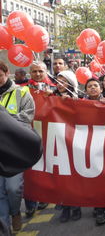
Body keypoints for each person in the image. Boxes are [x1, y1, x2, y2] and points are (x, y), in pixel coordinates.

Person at [0, 62, 36, 232]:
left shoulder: (22, 93)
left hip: (14, 149)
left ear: (7, 73)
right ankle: (5, 227)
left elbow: (27, 118)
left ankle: (15, 212)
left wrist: (5, 118)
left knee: (13, 188)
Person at [52, 71, 82, 223]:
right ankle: (64, 207)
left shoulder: (78, 98)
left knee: (73, 176)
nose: (60, 84)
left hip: (73, 142)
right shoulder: (51, 96)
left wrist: (72, 102)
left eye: (64, 81)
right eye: (58, 81)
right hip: (57, 141)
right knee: (61, 176)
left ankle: (76, 206)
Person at [83, 78, 105, 225]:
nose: (93, 88)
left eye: (95, 86)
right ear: (86, 89)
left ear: (100, 89)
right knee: (94, 177)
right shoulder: (80, 103)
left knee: (104, 176)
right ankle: (99, 206)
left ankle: (102, 206)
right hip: (88, 145)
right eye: (90, 86)